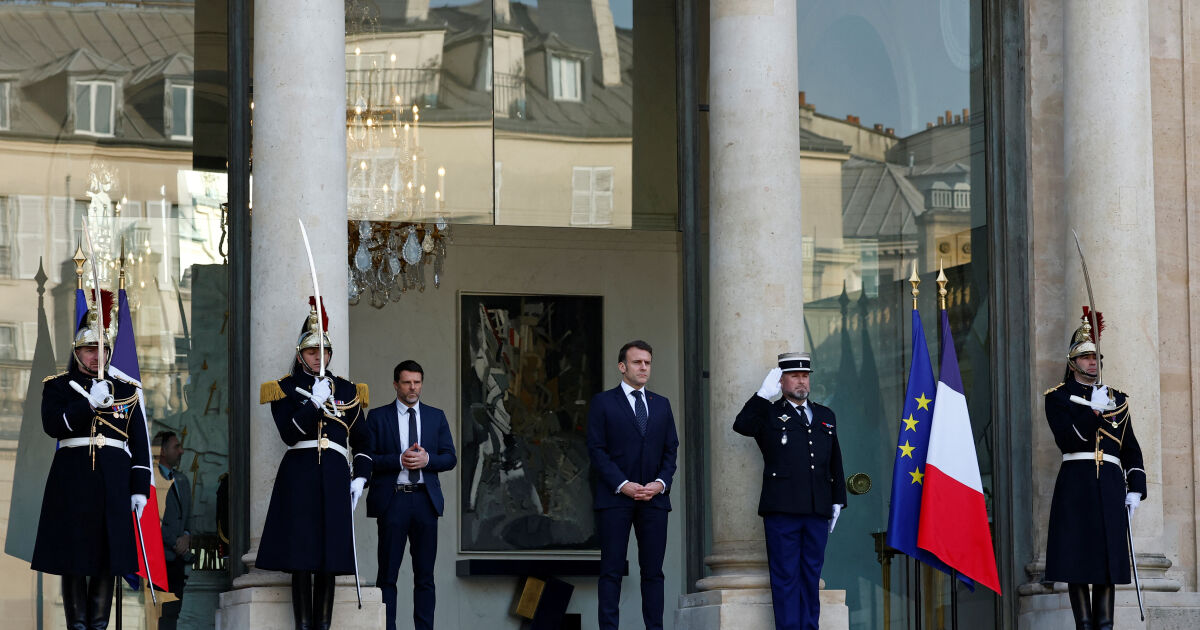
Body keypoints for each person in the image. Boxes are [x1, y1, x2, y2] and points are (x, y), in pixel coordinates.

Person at [32, 292, 152, 630]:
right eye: (89, 349)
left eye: (102, 349)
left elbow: (139, 444)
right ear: (77, 352)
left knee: (107, 557)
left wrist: (139, 489)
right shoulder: (59, 386)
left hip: (113, 480)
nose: (97, 355)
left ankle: (98, 625)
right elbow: (53, 426)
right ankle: (78, 626)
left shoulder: (126, 390)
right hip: (73, 478)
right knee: (73, 557)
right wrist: (88, 405)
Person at [257, 301, 371, 630]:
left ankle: (322, 625)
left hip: (334, 476)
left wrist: (360, 478)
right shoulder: (284, 389)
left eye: (324, 351)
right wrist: (315, 402)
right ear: (300, 355)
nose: (319, 357)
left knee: (328, 558)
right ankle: (303, 626)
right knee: (301, 557)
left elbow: (363, 442)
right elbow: (289, 433)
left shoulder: (348, 390)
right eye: (312, 352)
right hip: (300, 475)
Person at [1044, 311, 1146, 630]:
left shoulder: (1118, 400)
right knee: (1076, 559)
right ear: (1073, 361)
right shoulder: (1058, 398)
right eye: (1086, 357)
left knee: (1107, 560)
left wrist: (1136, 488)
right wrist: (1093, 412)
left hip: (1110, 486)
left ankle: (1105, 624)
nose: (1093, 362)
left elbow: (1130, 447)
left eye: (1096, 357)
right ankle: (1084, 624)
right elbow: (1068, 439)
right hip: (1076, 486)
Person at [734, 352, 846, 630]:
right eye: (794, 376)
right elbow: (742, 425)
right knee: (785, 577)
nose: (801, 381)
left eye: (805, 376)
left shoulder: (825, 414)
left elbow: (834, 459)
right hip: (782, 509)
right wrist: (762, 395)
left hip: (817, 508)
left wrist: (838, 499)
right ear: (781, 381)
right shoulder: (768, 413)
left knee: (811, 575)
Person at [586, 340, 679, 630]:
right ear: (622, 366)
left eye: (647, 363)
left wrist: (661, 483)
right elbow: (596, 450)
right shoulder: (603, 402)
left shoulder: (661, 404)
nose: (643, 368)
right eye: (637, 362)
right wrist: (622, 484)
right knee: (611, 571)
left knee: (653, 573)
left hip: (654, 499)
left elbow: (671, 449)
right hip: (615, 499)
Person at [365, 360, 457, 630]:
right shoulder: (378, 417)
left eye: (417, 382)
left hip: (425, 501)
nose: (413, 388)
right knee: (387, 575)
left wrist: (428, 460)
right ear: (396, 385)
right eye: (407, 382)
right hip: (393, 500)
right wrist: (398, 460)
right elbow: (366, 458)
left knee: (425, 576)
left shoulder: (436, 416)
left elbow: (450, 457)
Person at [154, 430, 193, 630]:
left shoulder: (182, 480)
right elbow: (152, 519)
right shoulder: (151, 479)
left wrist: (186, 537)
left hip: (177, 562)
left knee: (172, 614)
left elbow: (189, 516)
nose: (181, 451)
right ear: (162, 451)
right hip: (158, 560)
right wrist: (175, 542)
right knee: (157, 615)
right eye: (176, 446)